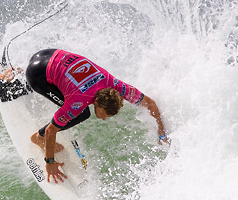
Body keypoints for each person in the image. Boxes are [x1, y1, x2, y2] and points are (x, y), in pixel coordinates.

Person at [24, 48, 169, 184]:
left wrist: (161, 133)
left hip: (48, 53)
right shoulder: (79, 101)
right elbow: (51, 130)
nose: (104, 118)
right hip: (37, 74)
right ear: (98, 104)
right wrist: (50, 162)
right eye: (103, 114)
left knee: (72, 99)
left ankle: (19, 70)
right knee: (82, 114)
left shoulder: (116, 85)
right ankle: (38, 137)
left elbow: (149, 103)